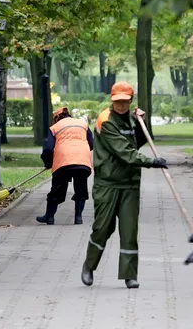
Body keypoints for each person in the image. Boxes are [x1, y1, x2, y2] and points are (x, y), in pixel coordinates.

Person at [81, 81, 168, 289]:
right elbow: (124, 152)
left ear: (130, 100)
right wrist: (151, 162)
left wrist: (140, 124)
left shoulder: (131, 118)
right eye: (117, 101)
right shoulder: (106, 121)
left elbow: (135, 144)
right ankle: (89, 265)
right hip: (108, 184)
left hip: (130, 183)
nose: (121, 105)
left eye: (125, 101)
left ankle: (129, 275)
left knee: (129, 231)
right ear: (112, 100)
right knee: (103, 228)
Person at [37, 106, 93, 225]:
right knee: (81, 189)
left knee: (57, 189)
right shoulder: (83, 124)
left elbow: (47, 149)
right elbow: (91, 143)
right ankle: (78, 218)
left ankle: (50, 217)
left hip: (63, 161)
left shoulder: (54, 127)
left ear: (57, 117)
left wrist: (48, 163)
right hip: (82, 161)